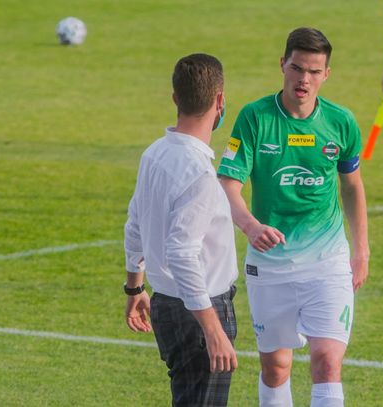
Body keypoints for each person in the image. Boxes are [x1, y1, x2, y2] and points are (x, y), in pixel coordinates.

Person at [217, 27, 369, 407]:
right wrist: (250, 226)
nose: (304, 79)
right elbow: (227, 184)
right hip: (271, 265)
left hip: (328, 262)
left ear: (326, 74)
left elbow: (352, 186)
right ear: (282, 64)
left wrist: (361, 250)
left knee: (327, 362)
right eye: (297, 68)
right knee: (276, 367)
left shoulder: (341, 122)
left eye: (314, 71)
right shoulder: (255, 118)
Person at [123, 53, 239, 406]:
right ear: (220, 100)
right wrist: (212, 328)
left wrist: (134, 287)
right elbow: (182, 253)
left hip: (167, 304)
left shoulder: (154, 154)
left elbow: (135, 222)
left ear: (176, 98)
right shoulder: (199, 173)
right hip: (199, 311)